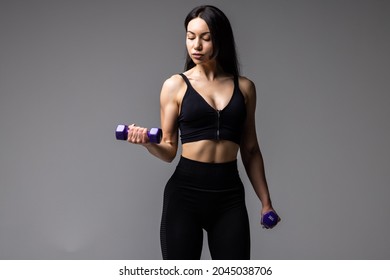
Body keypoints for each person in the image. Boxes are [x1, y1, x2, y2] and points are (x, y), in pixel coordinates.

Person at [126, 5, 280, 260]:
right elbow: (168, 151)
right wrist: (146, 143)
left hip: (229, 196)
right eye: (190, 37)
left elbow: (251, 150)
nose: (196, 45)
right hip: (184, 195)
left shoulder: (245, 88)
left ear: (220, 39)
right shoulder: (175, 85)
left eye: (205, 38)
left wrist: (266, 202)